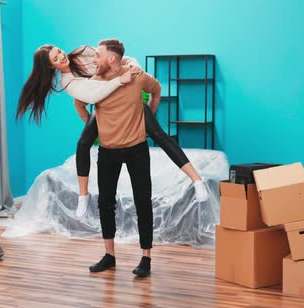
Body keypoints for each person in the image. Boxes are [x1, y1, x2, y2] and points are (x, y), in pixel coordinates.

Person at [16, 44, 209, 221]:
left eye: (58, 51)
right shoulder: (67, 82)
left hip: (127, 99)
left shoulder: (83, 53)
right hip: (104, 106)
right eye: (56, 59)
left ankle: (196, 179)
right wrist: (99, 123)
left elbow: (117, 59)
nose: (61, 56)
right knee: (83, 143)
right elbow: (91, 96)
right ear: (52, 67)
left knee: (160, 135)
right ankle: (83, 194)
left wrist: (134, 65)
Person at [77, 39, 159, 277]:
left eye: (98, 55)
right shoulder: (94, 83)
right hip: (107, 151)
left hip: (137, 149)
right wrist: (94, 128)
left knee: (143, 201)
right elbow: (79, 103)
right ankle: (109, 255)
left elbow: (156, 90)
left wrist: (149, 117)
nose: (94, 60)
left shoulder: (137, 77)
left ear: (111, 59)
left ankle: (146, 258)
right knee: (106, 203)